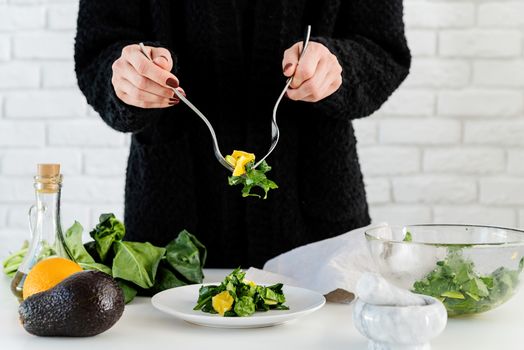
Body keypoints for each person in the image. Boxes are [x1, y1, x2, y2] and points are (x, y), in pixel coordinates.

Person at [74, 0, 411, 268]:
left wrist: (339, 66)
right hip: (172, 222)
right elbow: (98, 50)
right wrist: (126, 77)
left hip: (317, 226)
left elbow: (384, 50)